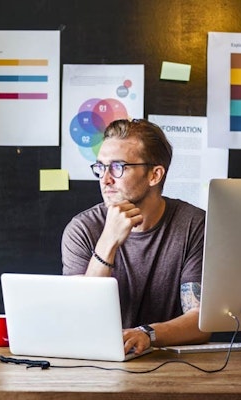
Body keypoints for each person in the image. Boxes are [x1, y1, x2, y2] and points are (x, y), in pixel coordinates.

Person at [61, 118, 212, 355]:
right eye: (100, 167)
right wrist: (108, 241)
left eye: (118, 167)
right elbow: (79, 318)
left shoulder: (194, 225)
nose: (105, 178)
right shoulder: (82, 228)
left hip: (173, 364)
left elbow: (201, 321)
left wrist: (146, 334)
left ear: (154, 175)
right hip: (96, 360)